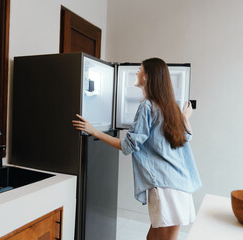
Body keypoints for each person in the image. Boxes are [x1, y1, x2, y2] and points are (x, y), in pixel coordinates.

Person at [72, 58, 202, 240]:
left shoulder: (147, 106)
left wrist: (94, 131)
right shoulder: (171, 106)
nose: (136, 72)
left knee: (162, 236)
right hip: (180, 182)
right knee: (160, 236)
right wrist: (186, 117)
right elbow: (186, 137)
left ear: (148, 76)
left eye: (139, 70)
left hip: (164, 184)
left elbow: (128, 146)